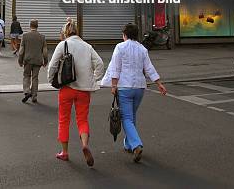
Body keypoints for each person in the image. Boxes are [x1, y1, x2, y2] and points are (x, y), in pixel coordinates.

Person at [101, 23, 167, 163]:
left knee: (127, 118)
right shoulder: (142, 49)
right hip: (139, 87)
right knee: (131, 116)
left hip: (124, 87)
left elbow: (115, 67)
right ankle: (129, 144)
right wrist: (159, 83)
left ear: (125, 35)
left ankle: (136, 145)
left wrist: (113, 85)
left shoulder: (120, 47)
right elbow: (149, 68)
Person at [48, 17, 104, 166]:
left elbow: (52, 65)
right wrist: (94, 78)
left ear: (65, 32)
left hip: (67, 88)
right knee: (82, 119)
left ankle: (64, 152)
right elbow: (100, 64)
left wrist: (50, 80)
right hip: (84, 90)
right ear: (77, 31)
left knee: (64, 119)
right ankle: (84, 144)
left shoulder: (63, 44)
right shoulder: (87, 46)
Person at [18, 19, 47, 103]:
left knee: (26, 76)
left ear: (30, 26)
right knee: (35, 78)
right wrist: (45, 61)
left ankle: (27, 91)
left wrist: (20, 60)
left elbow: (21, 50)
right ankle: (34, 96)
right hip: (38, 61)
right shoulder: (42, 37)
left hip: (27, 60)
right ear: (37, 26)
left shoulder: (25, 36)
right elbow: (45, 51)